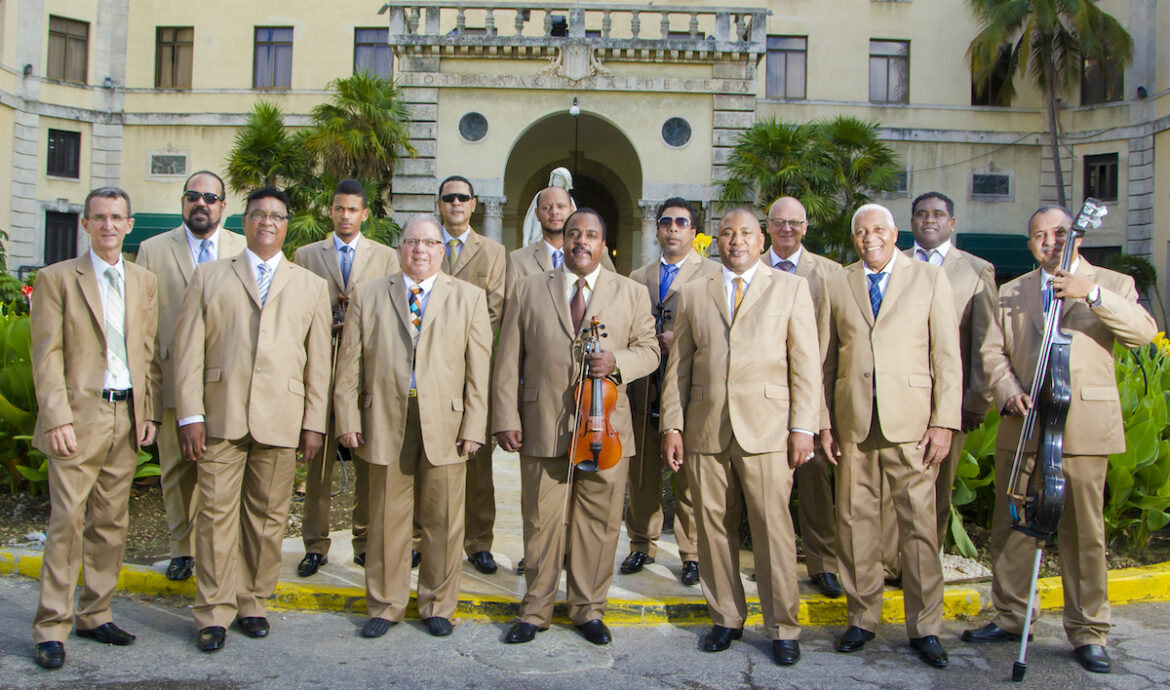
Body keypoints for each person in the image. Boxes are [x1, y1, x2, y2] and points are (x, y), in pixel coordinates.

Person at [962, 206, 1156, 674]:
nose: (1049, 242)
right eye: (1038, 236)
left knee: (1082, 532)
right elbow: (990, 352)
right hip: (1024, 425)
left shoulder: (1113, 283)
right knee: (1012, 529)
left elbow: (1144, 333)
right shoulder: (1010, 291)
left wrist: (1089, 294)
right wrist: (1007, 392)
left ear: (1076, 237)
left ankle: (1089, 629)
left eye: (1058, 233)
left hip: (1085, 427)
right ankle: (1011, 617)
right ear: (1030, 244)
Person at [660, 207, 821, 666]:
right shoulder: (693, 292)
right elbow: (680, 368)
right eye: (728, 233)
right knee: (712, 528)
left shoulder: (790, 288)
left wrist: (802, 427)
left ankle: (782, 627)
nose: (736, 241)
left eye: (746, 233)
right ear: (716, 240)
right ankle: (726, 617)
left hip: (769, 431)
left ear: (761, 238)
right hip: (706, 427)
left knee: (773, 529)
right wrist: (672, 425)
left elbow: (806, 366)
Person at [174, 187, 332, 652]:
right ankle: (213, 611)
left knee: (267, 518)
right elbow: (187, 354)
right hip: (220, 417)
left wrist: (313, 423)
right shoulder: (209, 276)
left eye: (277, 216)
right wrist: (190, 414)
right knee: (216, 518)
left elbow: (317, 361)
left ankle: (254, 602)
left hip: (281, 419)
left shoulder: (310, 286)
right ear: (243, 222)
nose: (268, 222)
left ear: (287, 225)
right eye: (259, 214)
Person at [493, 208, 658, 645]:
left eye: (590, 235)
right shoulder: (528, 288)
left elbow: (651, 350)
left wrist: (617, 361)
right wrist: (506, 417)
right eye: (573, 234)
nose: (580, 241)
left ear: (604, 245)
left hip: (605, 428)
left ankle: (588, 609)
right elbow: (508, 357)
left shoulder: (631, 292)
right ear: (562, 241)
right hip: (541, 423)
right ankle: (535, 609)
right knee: (541, 520)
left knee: (599, 523)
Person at [334, 214, 492, 639]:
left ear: (442, 250)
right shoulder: (368, 295)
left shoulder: (469, 298)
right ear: (399, 248)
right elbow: (349, 365)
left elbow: (479, 370)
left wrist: (475, 424)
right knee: (387, 517)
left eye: (429, 242)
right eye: (411, 242)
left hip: (447, 422)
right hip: (385, 417)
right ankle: (386, 604)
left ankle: (438, 605)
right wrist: (347, 418)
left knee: (443, 518)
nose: (420, 249)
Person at [818, 203, 961, 668]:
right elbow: (826, 361)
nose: (869, 237)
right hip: (854, 424)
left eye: (878, 229)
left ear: (895, 232)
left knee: (918, 526)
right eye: (861, 231)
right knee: (856, 524)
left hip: (913, 425)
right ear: (853, 238)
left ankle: (926, 628)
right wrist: (824, 421)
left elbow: (946, 356)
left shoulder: (928, 278)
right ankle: (862, 618)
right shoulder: (838, 281)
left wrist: (944, 421)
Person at [29, 187, 162, 671]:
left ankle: (95, 612)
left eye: (117, 218)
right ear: (85, 224)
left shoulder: (144, 281)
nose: (108, 225)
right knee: (67, 522)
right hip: (78, 419)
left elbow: (146, 352)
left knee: (110, 522)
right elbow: (46, 356)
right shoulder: (56, 279)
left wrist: (148, 413)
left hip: (124, 416)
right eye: (99, 218)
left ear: (129, 226)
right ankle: (50, 626)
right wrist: (57, 417)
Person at [879, 192, 997, 582]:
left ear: (952, 221)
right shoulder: (893, 263)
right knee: (889, 493)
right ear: (911, 222)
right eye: (921, 214)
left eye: (939, 214)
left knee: (937, 491)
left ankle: (924, 570)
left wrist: (974, 401)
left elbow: (982, 342)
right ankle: (890, 565)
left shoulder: (977, 270)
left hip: (949, 404)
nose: (930, 220)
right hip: (895, 400)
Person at [137, 170, 245, 583]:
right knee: (176, 469)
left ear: (223, 205)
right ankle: (182, 547)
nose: (201, 203)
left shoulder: (241, 246)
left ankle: (219, 549)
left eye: (210, 198)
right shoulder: (152, 249)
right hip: (169, 377)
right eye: (193, 196)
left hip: (225, 380)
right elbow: (143, 322)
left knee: (221, 469)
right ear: (183, 202)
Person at [291, 179, 400, 577]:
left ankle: (365, 541)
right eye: (338, 208)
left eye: (352, 209)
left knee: (368, 462)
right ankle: (315, 545)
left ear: (365, 214)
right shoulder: (306, 255)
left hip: (365, 374)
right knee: (317, 463)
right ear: (331, 212)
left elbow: (392, 314)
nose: (345, 215)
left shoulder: (387, 257)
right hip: (321, 370)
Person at [622, 197, 719, 585]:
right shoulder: (637, 277)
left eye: (681, 222)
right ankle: (641, 544)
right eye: (666, 222)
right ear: (658, 228)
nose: (673, 228)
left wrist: (678, 337)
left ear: (693, 231)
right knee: (641, 471)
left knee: (689, 474)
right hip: (645, 387)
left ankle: (691, 553)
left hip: (690, 387)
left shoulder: (711, 273)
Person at [764, 196, 845, 599]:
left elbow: (831, 346)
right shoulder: (746, 267)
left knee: (814, 484)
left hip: (809, 396)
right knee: (761, 490)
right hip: (758, 402)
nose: (787, 229)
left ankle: (823, 563)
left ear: (806, 227)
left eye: (794, 223)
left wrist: (821, 414)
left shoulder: (829, 274)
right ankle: (767, 563)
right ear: (767, 226)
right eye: (779, 222)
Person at [430, 175, 507, 576]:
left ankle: (479, 542)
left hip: (475, 370)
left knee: (476, 464)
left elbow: (494, 310)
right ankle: (419, 539)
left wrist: (455, 343)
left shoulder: (493, 252)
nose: (456, 203)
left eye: (462, 197)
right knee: (425, 456)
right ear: (439, 203)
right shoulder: (425, 245)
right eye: (449, 198)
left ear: (474, 204)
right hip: (428, 373)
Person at [506, 186, 614, 293]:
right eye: (546, 207)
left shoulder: (598, 253)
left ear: (571, 211)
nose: (554, 212)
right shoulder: (518, 260)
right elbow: (511, 307)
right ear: (537, 214)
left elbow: (614, 293)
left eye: (560, 206)